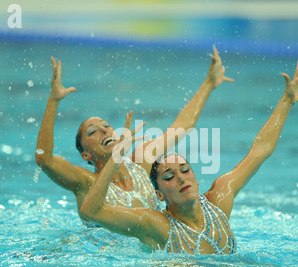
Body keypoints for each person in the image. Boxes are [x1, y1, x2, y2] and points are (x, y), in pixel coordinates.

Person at [79, 60, 298, 254]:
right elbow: (91, 212)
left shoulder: (220, 199)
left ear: (195, 177)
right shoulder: (155, 225)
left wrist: (286, 101)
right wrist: (116, 158)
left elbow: (260, 150)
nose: (182, 179)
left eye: (185, 170)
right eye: (170, 176)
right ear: (159, 195)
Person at [35, 47, 234, 225]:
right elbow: (44, 159)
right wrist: (53, 101)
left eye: (106, 125)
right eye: (92, 132)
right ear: (86, 155)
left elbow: (182, 125)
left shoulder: (142, 161)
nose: (104, 130)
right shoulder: (85, 182)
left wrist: (209, 83)